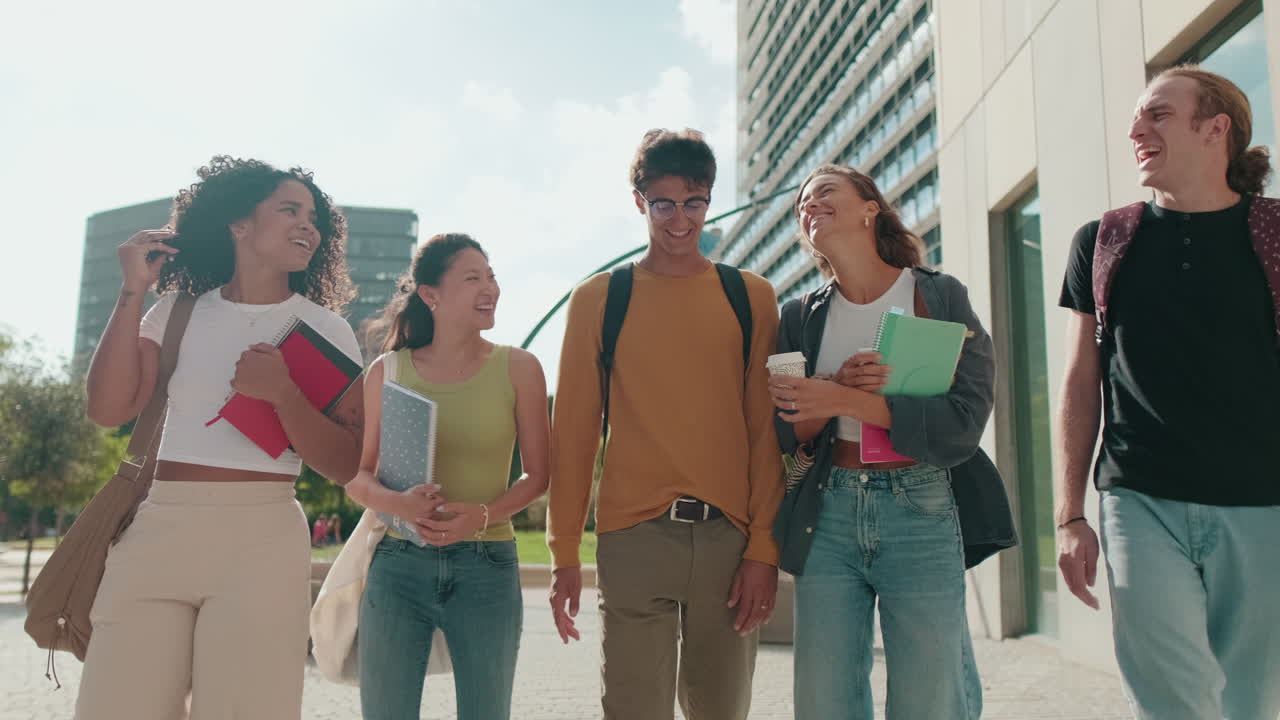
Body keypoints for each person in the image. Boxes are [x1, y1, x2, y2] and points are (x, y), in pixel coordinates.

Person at [79, 155, 364, 719]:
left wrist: (283, 393)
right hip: (158, 527)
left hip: (262, 536)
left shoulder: (326, 330)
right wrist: (132, 292)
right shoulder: (175, 314)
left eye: (314, 217)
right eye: (290, 210)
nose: (308, 225)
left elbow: (347, 462)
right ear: (238, 223)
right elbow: (108, 409)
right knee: (118, 706)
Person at [1056, 65, 1280, 719]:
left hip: (1264, 499)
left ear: (1217, 131)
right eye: (1136, 117)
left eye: (1157, 114)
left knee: (1253, 699)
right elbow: (1077, 383)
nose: (1135, 130)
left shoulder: (1274, 234)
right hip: (1138, 498)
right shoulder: (1102, 241)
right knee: (1169, 700)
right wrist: (1070, 515)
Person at [547, 128, 783, 720]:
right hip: (634, 536)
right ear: (639, 202)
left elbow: (764, 432)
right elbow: (574, 435)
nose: (680, 219)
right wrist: (563, 552)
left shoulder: (750, 297)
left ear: (709, 200)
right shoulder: (600, 298)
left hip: (729, 539)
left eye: (694, 202)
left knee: (722, 711)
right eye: (664, 203)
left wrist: (764, 549)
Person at [767, 163, 994, 719]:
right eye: (802, 203)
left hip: (921, 504)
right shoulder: (797, 316)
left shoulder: (937, 296)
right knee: (824, 700)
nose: (809, 205)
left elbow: (963, 420)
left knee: (928, 697)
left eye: (823, 192)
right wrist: (837, 385)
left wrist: (846, 400)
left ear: (871, 209)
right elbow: (783, 428)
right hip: (828, 511)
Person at [342, 233, 550, 720]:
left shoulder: (519, 368)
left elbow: (538, 476)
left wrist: (480, 515)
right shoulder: (387, 371)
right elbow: (358, 478)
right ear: (431, 295)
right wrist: (401, 505)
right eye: (473, 278)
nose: (490, 289)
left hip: (488, 566)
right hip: (397, 566)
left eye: (492, 276)